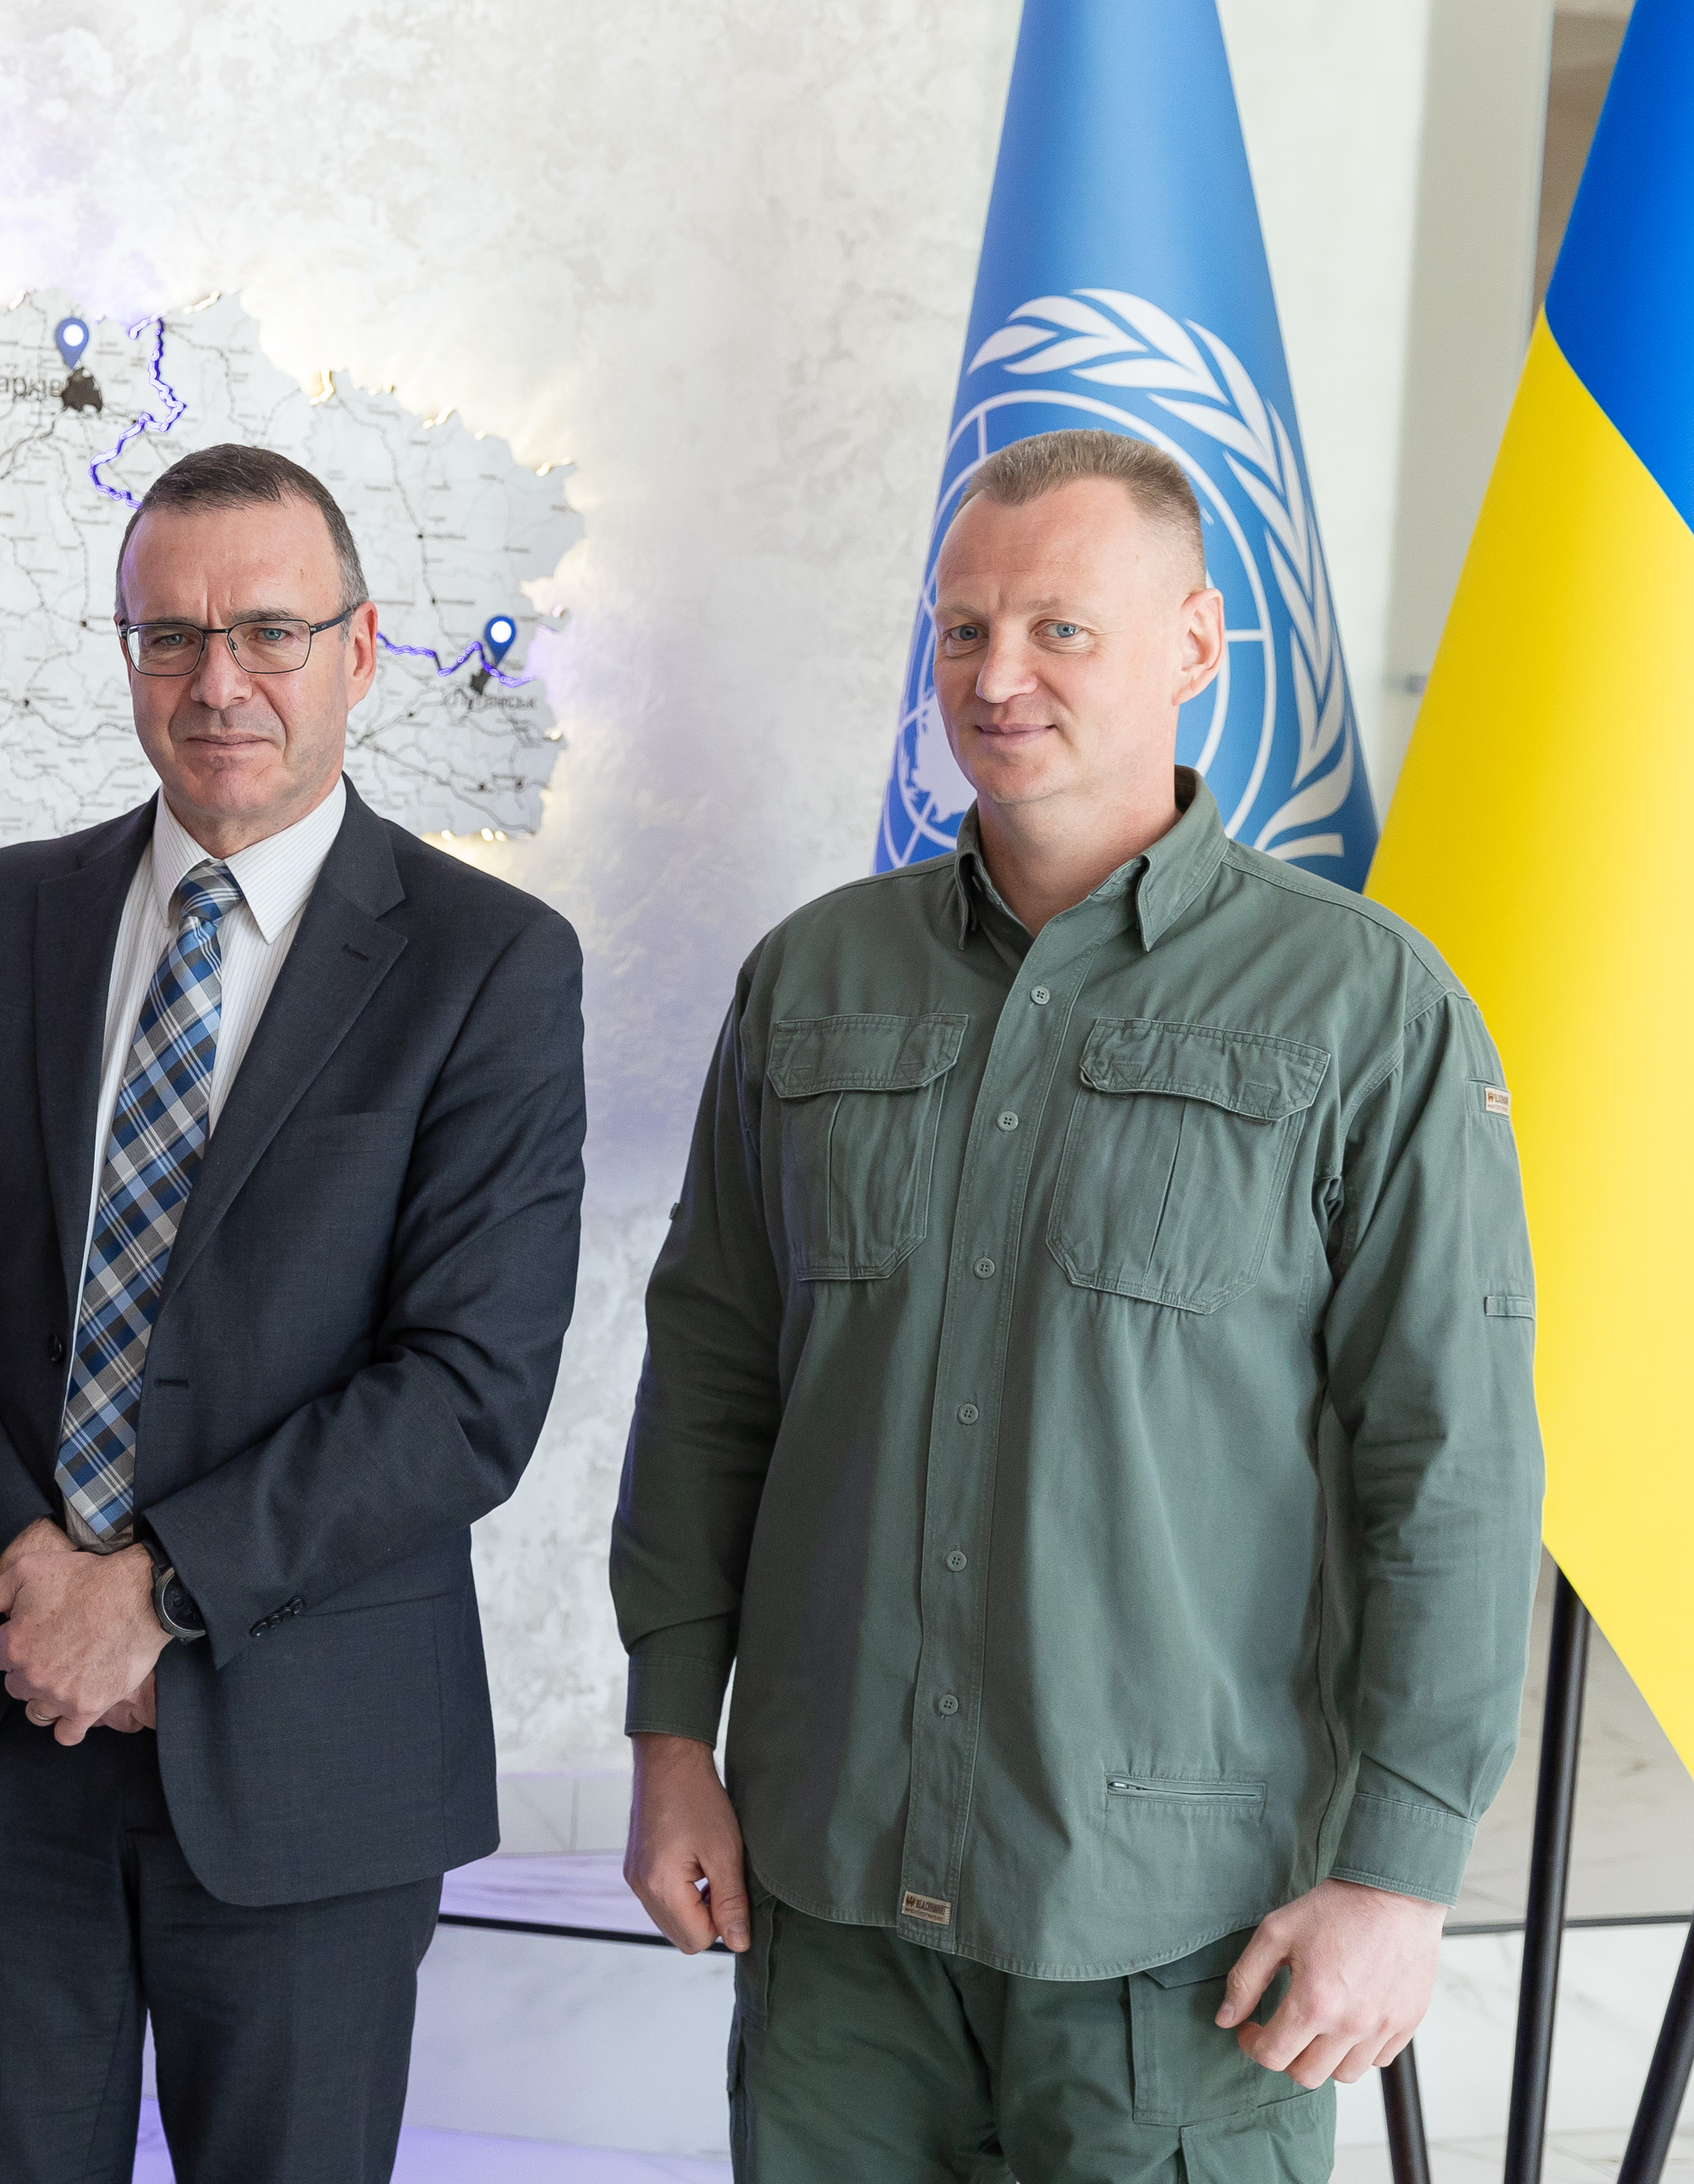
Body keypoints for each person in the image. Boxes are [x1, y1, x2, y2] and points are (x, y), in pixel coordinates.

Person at [613, 427, 1541, 2179]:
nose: (993, 673)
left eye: (1057, 626)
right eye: (960, 629)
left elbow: (1450, 1465)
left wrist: (1396, 1865)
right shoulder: (811, 975)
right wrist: (674, 1732)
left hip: (1182, 1943)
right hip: (834, 1918)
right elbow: (713, 1379)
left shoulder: (1368, 1014)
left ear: (1195, 645)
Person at [0, 443, 589, 2183]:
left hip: (310, 1759)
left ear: (360, 652)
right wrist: (34, 1577)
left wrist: (153, 1594)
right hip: (3, 1731)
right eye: (167, 637)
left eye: (266, 630)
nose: (215, 680)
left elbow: (467, 1385)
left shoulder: (487, 966)